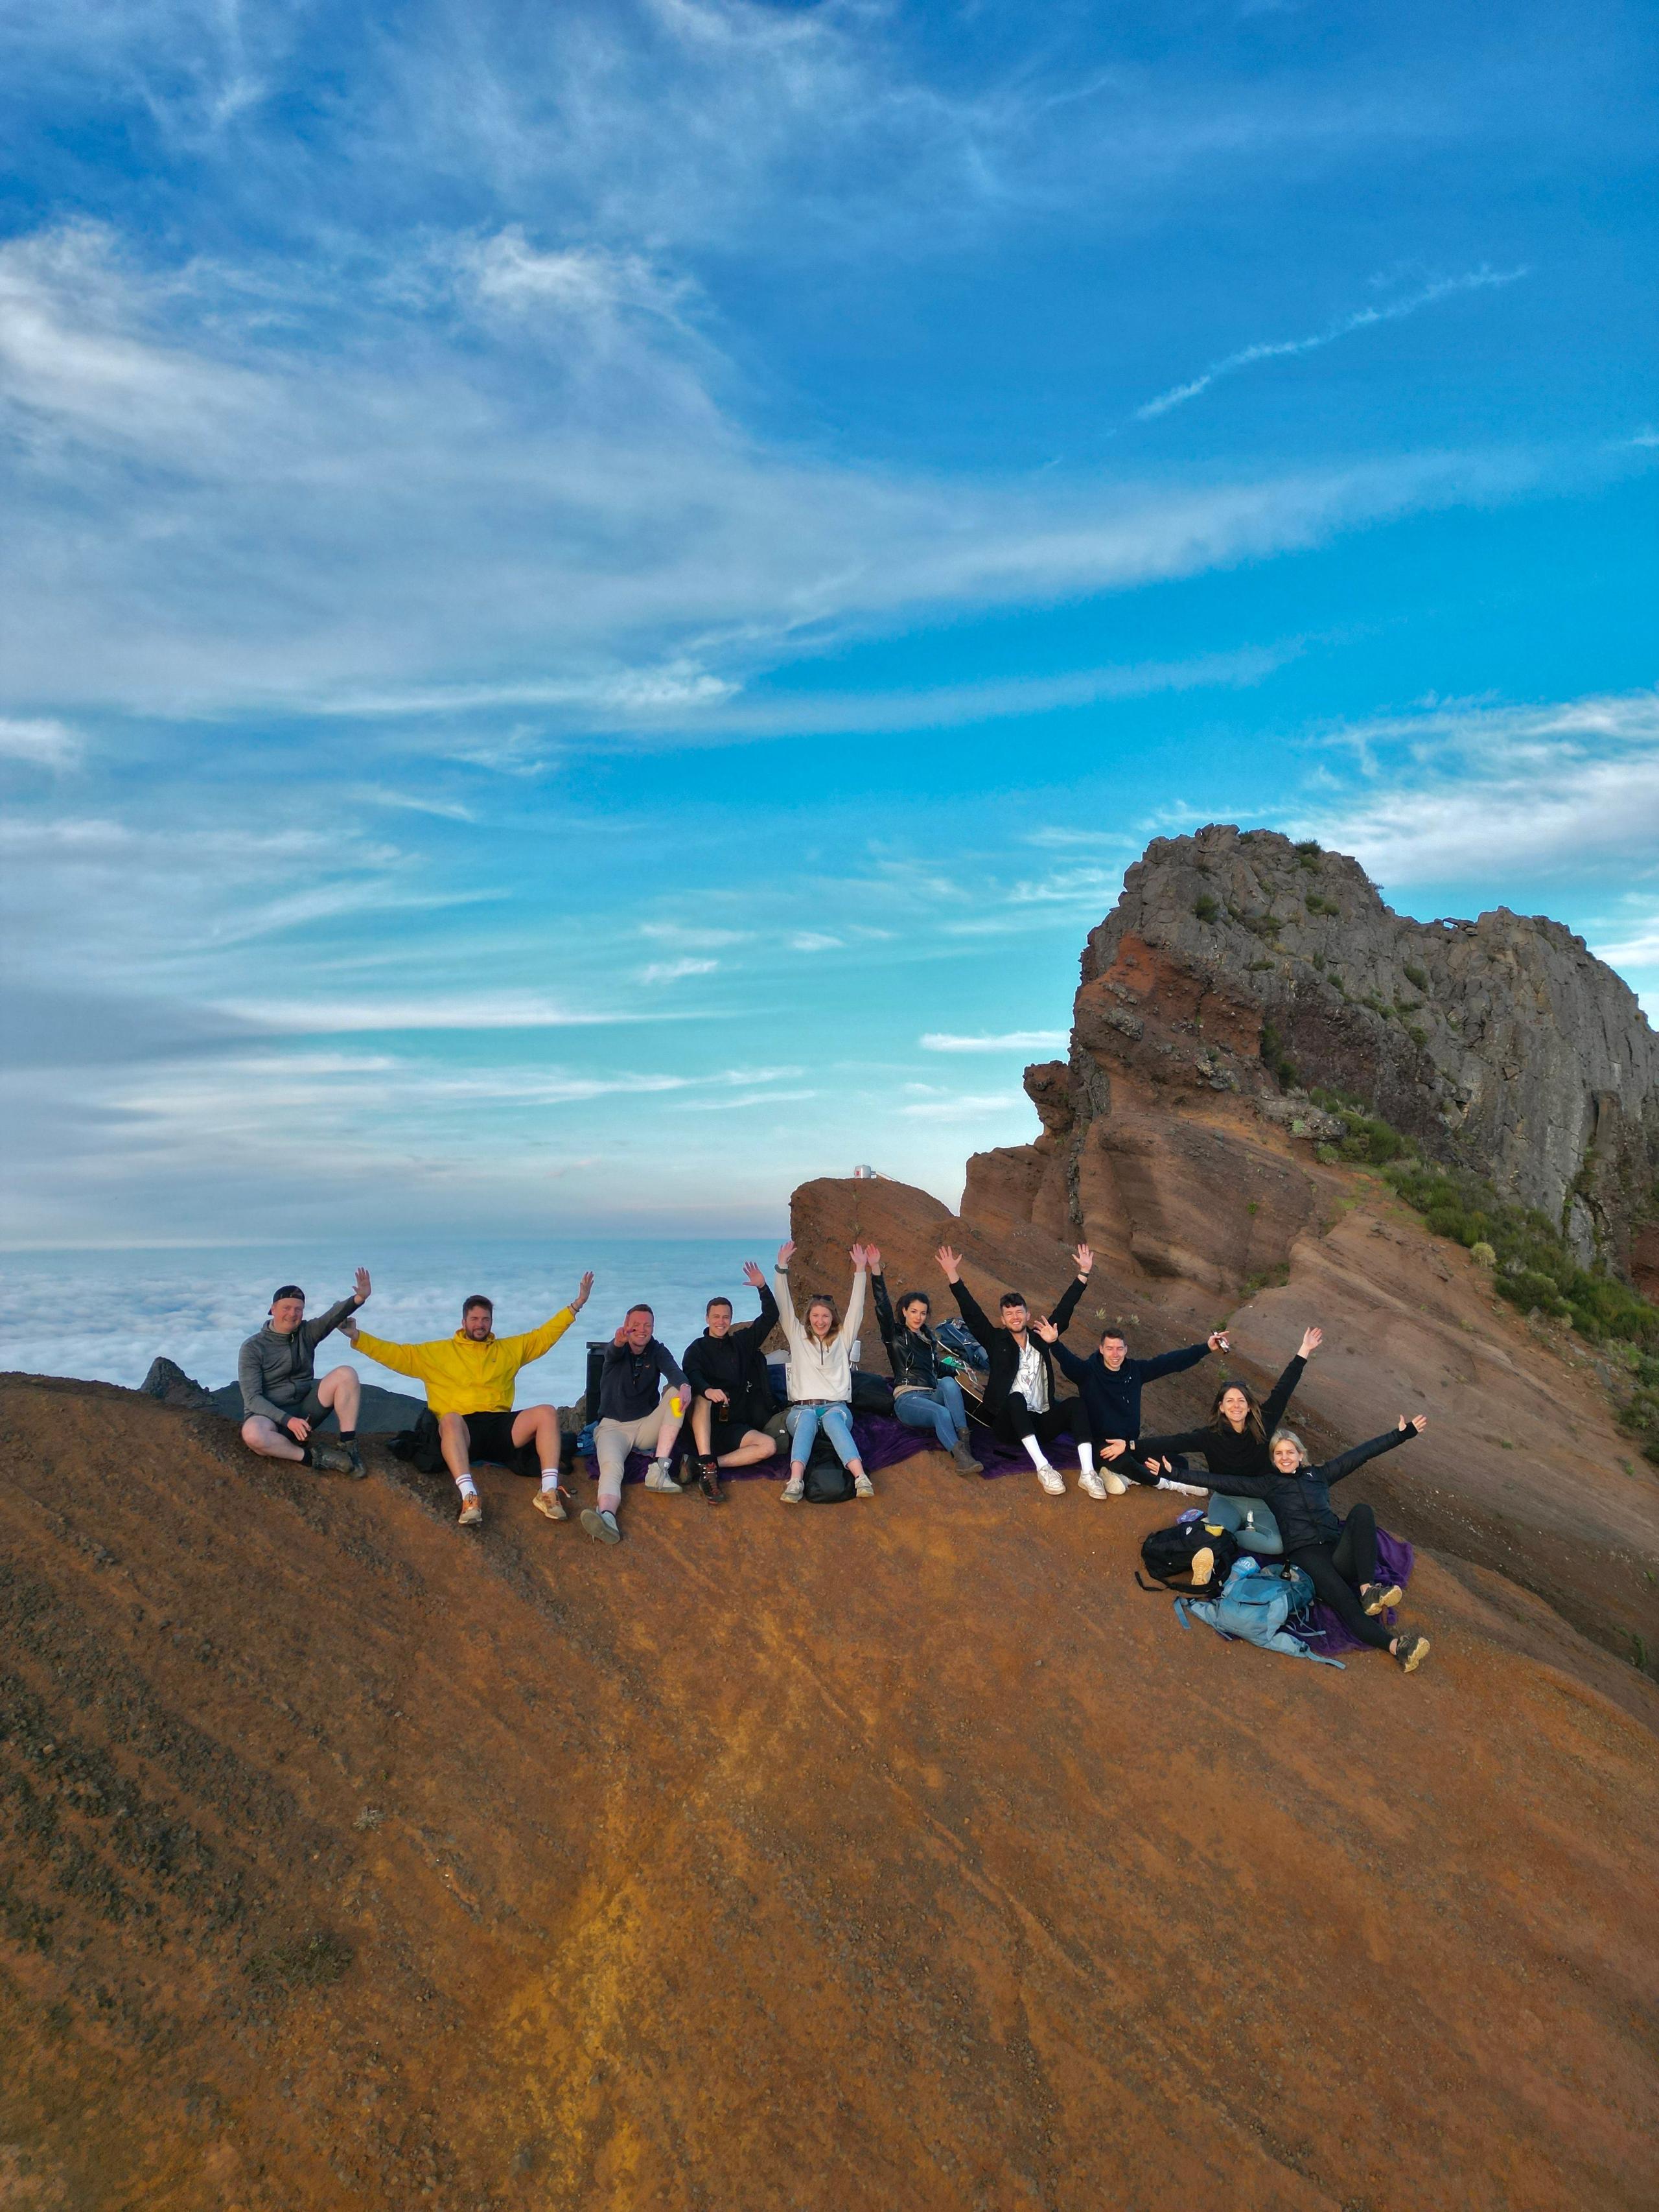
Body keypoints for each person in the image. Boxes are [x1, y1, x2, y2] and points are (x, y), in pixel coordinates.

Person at [344, 1275, 592, 1530]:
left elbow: (543, 1337)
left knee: (547, 1413)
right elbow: (394, 1354)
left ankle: (548, 1492)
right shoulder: (438, 1353)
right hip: (462, 1433)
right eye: (474, 1319)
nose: (480, 1325)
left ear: (492, 1322)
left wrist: (576, 1306)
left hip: (500, 1428)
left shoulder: (508, 1350)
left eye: (485, 1319)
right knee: (449, 1418)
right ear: (463, 1322)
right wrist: (357, 1336)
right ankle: (469, 1497)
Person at [1201, 1417, 1432, 1672]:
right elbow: (1223, 1482)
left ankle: (1369, 1590)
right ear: (1274, 1460)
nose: (1285, 1457)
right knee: (1345, 1602)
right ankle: (1398, 1647)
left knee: (1363, 1511)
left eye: (1290, 1452)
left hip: (1335, 1549)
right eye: (1279, 1454)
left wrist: (1402, 1434)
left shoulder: (1319, 1476)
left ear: (1301, 1455)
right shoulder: (1269, 1485)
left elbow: (1360, 1455)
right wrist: (1170, 1473)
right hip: (1307, 1555)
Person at [936, 1244, 1096, 1495]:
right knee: (1016, 1398)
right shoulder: (995, 1340)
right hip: (1008, 1425)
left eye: (1019, 1312)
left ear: (1028, 1314)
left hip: (1041, 1421)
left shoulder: (1041, 1338)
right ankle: (1044, 1468)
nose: (1014, 1317)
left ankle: (1088, 1474)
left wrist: (1083, 1274)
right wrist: (952, 1275)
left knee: (1075, 1404)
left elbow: (1064, 1311)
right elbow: (973, 1314)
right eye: (1008, 1314)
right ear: (1002, 1319)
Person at [1031, 1318, 1229, 1496]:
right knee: (1123, 1462)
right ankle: (1170, 1484)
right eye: (1110, 1348)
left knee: (1178, 1461)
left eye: (1119, 1348)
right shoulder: (1088, 1373)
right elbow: (1069, 1362)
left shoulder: (1135, 1371)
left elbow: (1169, 1363)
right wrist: (1054, 1343)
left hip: (1129, 1444)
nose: (1115, 1354)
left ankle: (1128, 1477)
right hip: (1103, 1445)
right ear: (1101, 1349)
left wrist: (1206, 1348)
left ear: (1126, 1349)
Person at [238, 1270, 371, 1474]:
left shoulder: (307, 1333)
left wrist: (359, 1298)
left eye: (298, 1309)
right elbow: (252, 1398)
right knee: (253, 1435)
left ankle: (348, 1447)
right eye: (287, 1308)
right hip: (269, 1417)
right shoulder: (253, 1347)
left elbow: (331, 1316)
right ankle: (314, 1458)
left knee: (347, 1374)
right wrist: (288, 1421)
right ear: (273, 1309)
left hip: (306, 1411)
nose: (292, 1314)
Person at [583, 1304, 691, 1544]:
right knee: (612, 1468)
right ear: (626, 1324)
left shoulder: (657, 1350)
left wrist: (685, 1387)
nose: (642, 1330)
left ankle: (659, 1470)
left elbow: (674, 1371)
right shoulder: (616, 1350)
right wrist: (619, 1341)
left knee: (676, 1393)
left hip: (645, 1427)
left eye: (648, 1325)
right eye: (637, 1324)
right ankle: (607, 1517)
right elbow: (613, 1351)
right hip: (612, 1429)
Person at [774, 1239, 874, 1502]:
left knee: (831, 1419)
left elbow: (857, 1309)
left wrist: (860, 1270)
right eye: (815, 1316)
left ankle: (861, 1478)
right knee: (807, 1419)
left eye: (826, 1317)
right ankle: (795, 1481)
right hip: (801, 1410)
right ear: (809, 1318)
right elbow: (784, 1307)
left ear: (833, 1319)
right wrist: (781, 1268)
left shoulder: (843, 1338)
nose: (820, 1321)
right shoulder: (798, 1337)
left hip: (836, 1408)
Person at [868, 1252, 979, 1476]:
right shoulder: (895, 1335)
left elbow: (937, 1369)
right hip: (909, 1399)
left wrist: (961, 1368)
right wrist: (876, 1270)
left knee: (948, 1382)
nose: (918, 1317)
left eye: (923, 1313)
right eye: (914, 1312)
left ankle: (964, 1443)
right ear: (904, 1312)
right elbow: (882, 1307)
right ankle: (961, 1459)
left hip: (931, 1393)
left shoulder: (928, 1340)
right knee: (941, 1413)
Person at [683, 1263, 781, 1502]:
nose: (721, 1321)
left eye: (726, 1317)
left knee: (768, 1446)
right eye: (716, 1316)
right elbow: (691, 1375)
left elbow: (770, 1317)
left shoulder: (741, 1343)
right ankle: (707, 1462)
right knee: (702, 1399)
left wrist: (762, 1287)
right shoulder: (696, 1349)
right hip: (704, 1425)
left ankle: (708, 1466)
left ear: (731, 1319)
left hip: (734, 1424)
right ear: (707, 1318)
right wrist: (708, 1390)